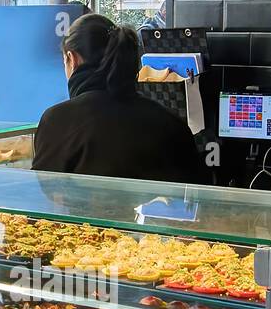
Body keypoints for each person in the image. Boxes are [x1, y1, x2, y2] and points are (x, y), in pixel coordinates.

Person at [33, 13, 206, 184]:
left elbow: (47, 195)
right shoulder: (171, 123)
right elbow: (195, 191)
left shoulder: (58, 121)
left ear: (72, 59)